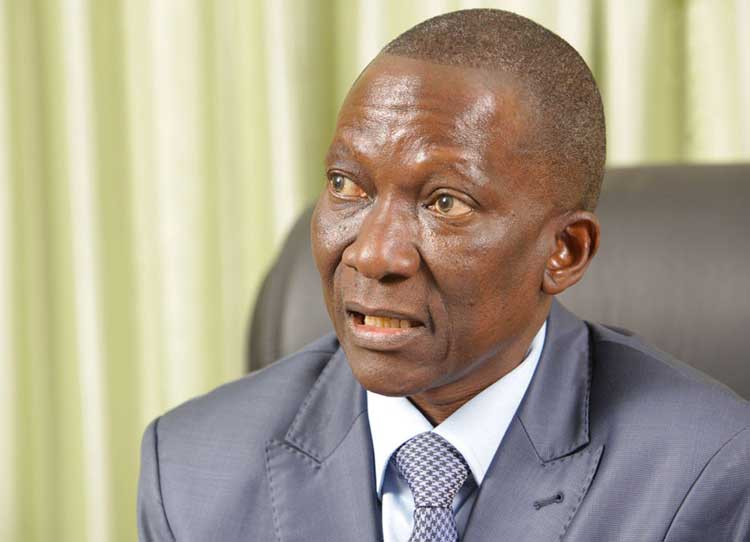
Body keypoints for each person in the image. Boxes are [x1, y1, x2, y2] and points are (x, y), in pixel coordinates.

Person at [138, 9, 750, 542]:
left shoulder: (707, 473)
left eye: (445, 202)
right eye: (346, 184)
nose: (373, 255)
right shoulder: (191, 470)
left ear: (564, 251)